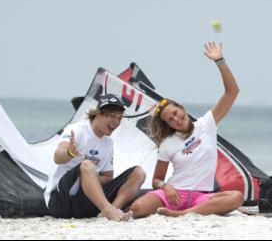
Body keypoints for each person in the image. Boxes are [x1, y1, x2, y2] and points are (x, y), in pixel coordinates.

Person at [129, 42, 244, 218]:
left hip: (202, 197)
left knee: (236, 197)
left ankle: (183, 214)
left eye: (175, 113)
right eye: (170, 120)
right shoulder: (168, 143)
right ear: (168, 125)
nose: (176, 119)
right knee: (137, 209)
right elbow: (156, 180)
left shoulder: (207, 124)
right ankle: (182, 211)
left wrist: (220, 61)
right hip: (175, 194)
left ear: (182, 108)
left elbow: (232, 92)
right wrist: (165, 187)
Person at [45, 94, 146, 221]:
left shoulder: (108, 143)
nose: (116, 122)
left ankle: (111, 211)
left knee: (138, 173)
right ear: (98, 113)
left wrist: (88, 178)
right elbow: (57, 158)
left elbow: (108, 177)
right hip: (61, 202)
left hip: (88, 202)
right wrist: (70, 153)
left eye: (119, 118)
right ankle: (109, 211)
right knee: (86, 165)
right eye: (112, 116)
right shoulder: (78, 130)